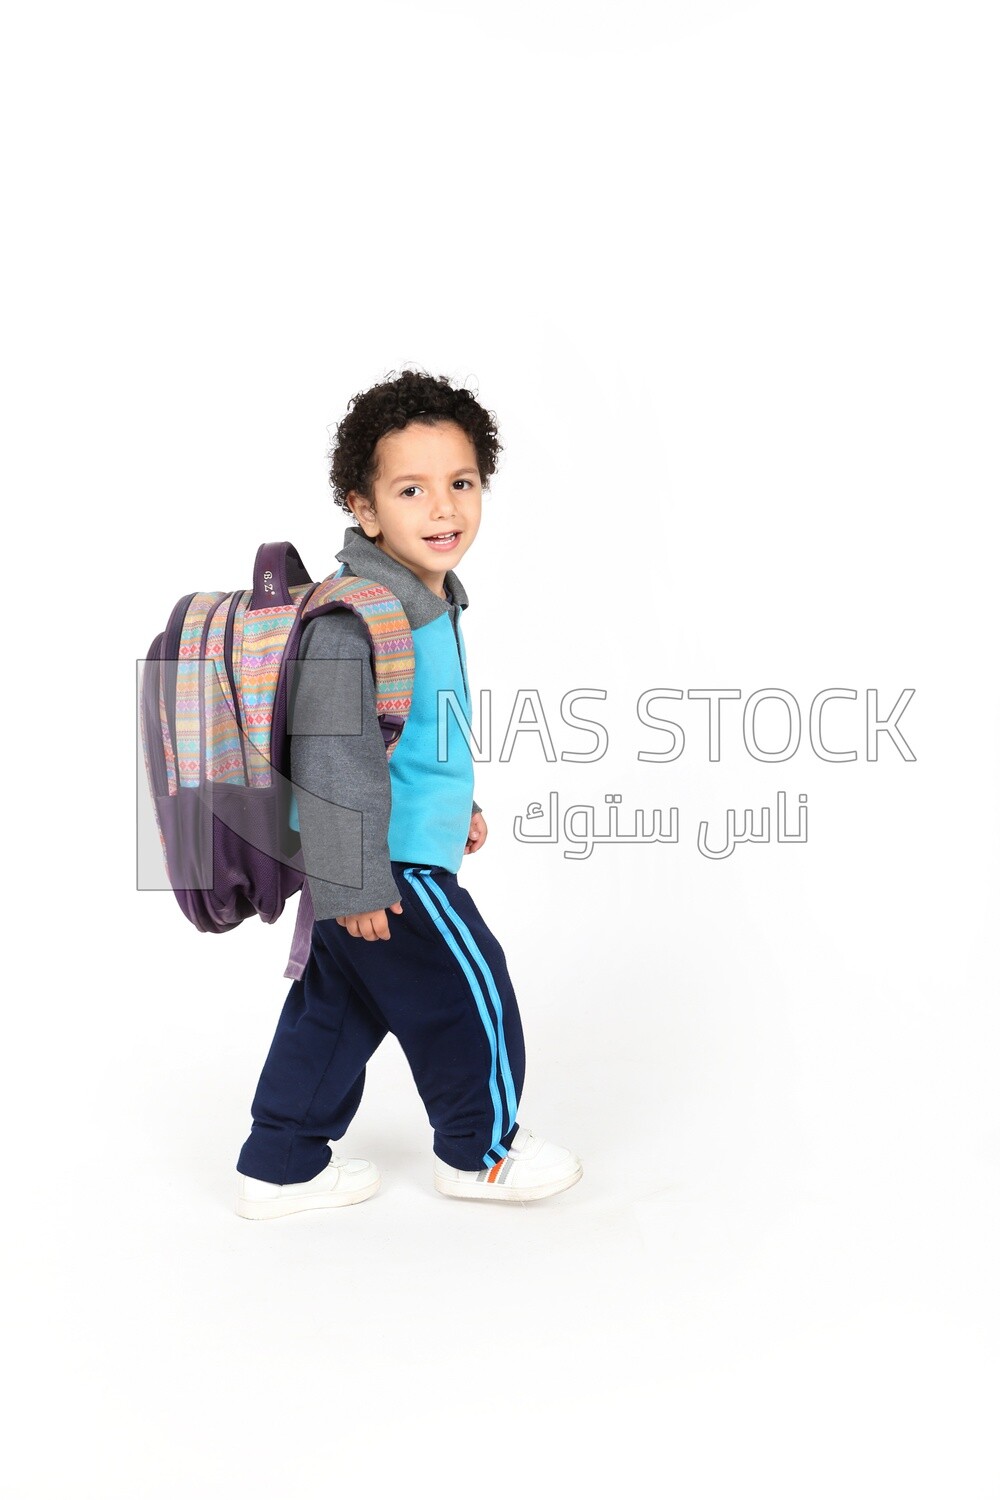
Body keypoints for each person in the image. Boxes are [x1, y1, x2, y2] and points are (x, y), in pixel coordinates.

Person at [234, 369, 582, 1217]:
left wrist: (449, 808)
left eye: (461, 484)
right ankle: (481, 1150)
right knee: (471, 985)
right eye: (412, 489)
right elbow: (332, 755)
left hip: (393, 851)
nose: (443, 509)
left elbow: (411, 738)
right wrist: (355, 879)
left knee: (341, 1005)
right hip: (384, 867)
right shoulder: (359, 614)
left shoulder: (428, 599)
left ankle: (281, 1163)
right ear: (364, 507)